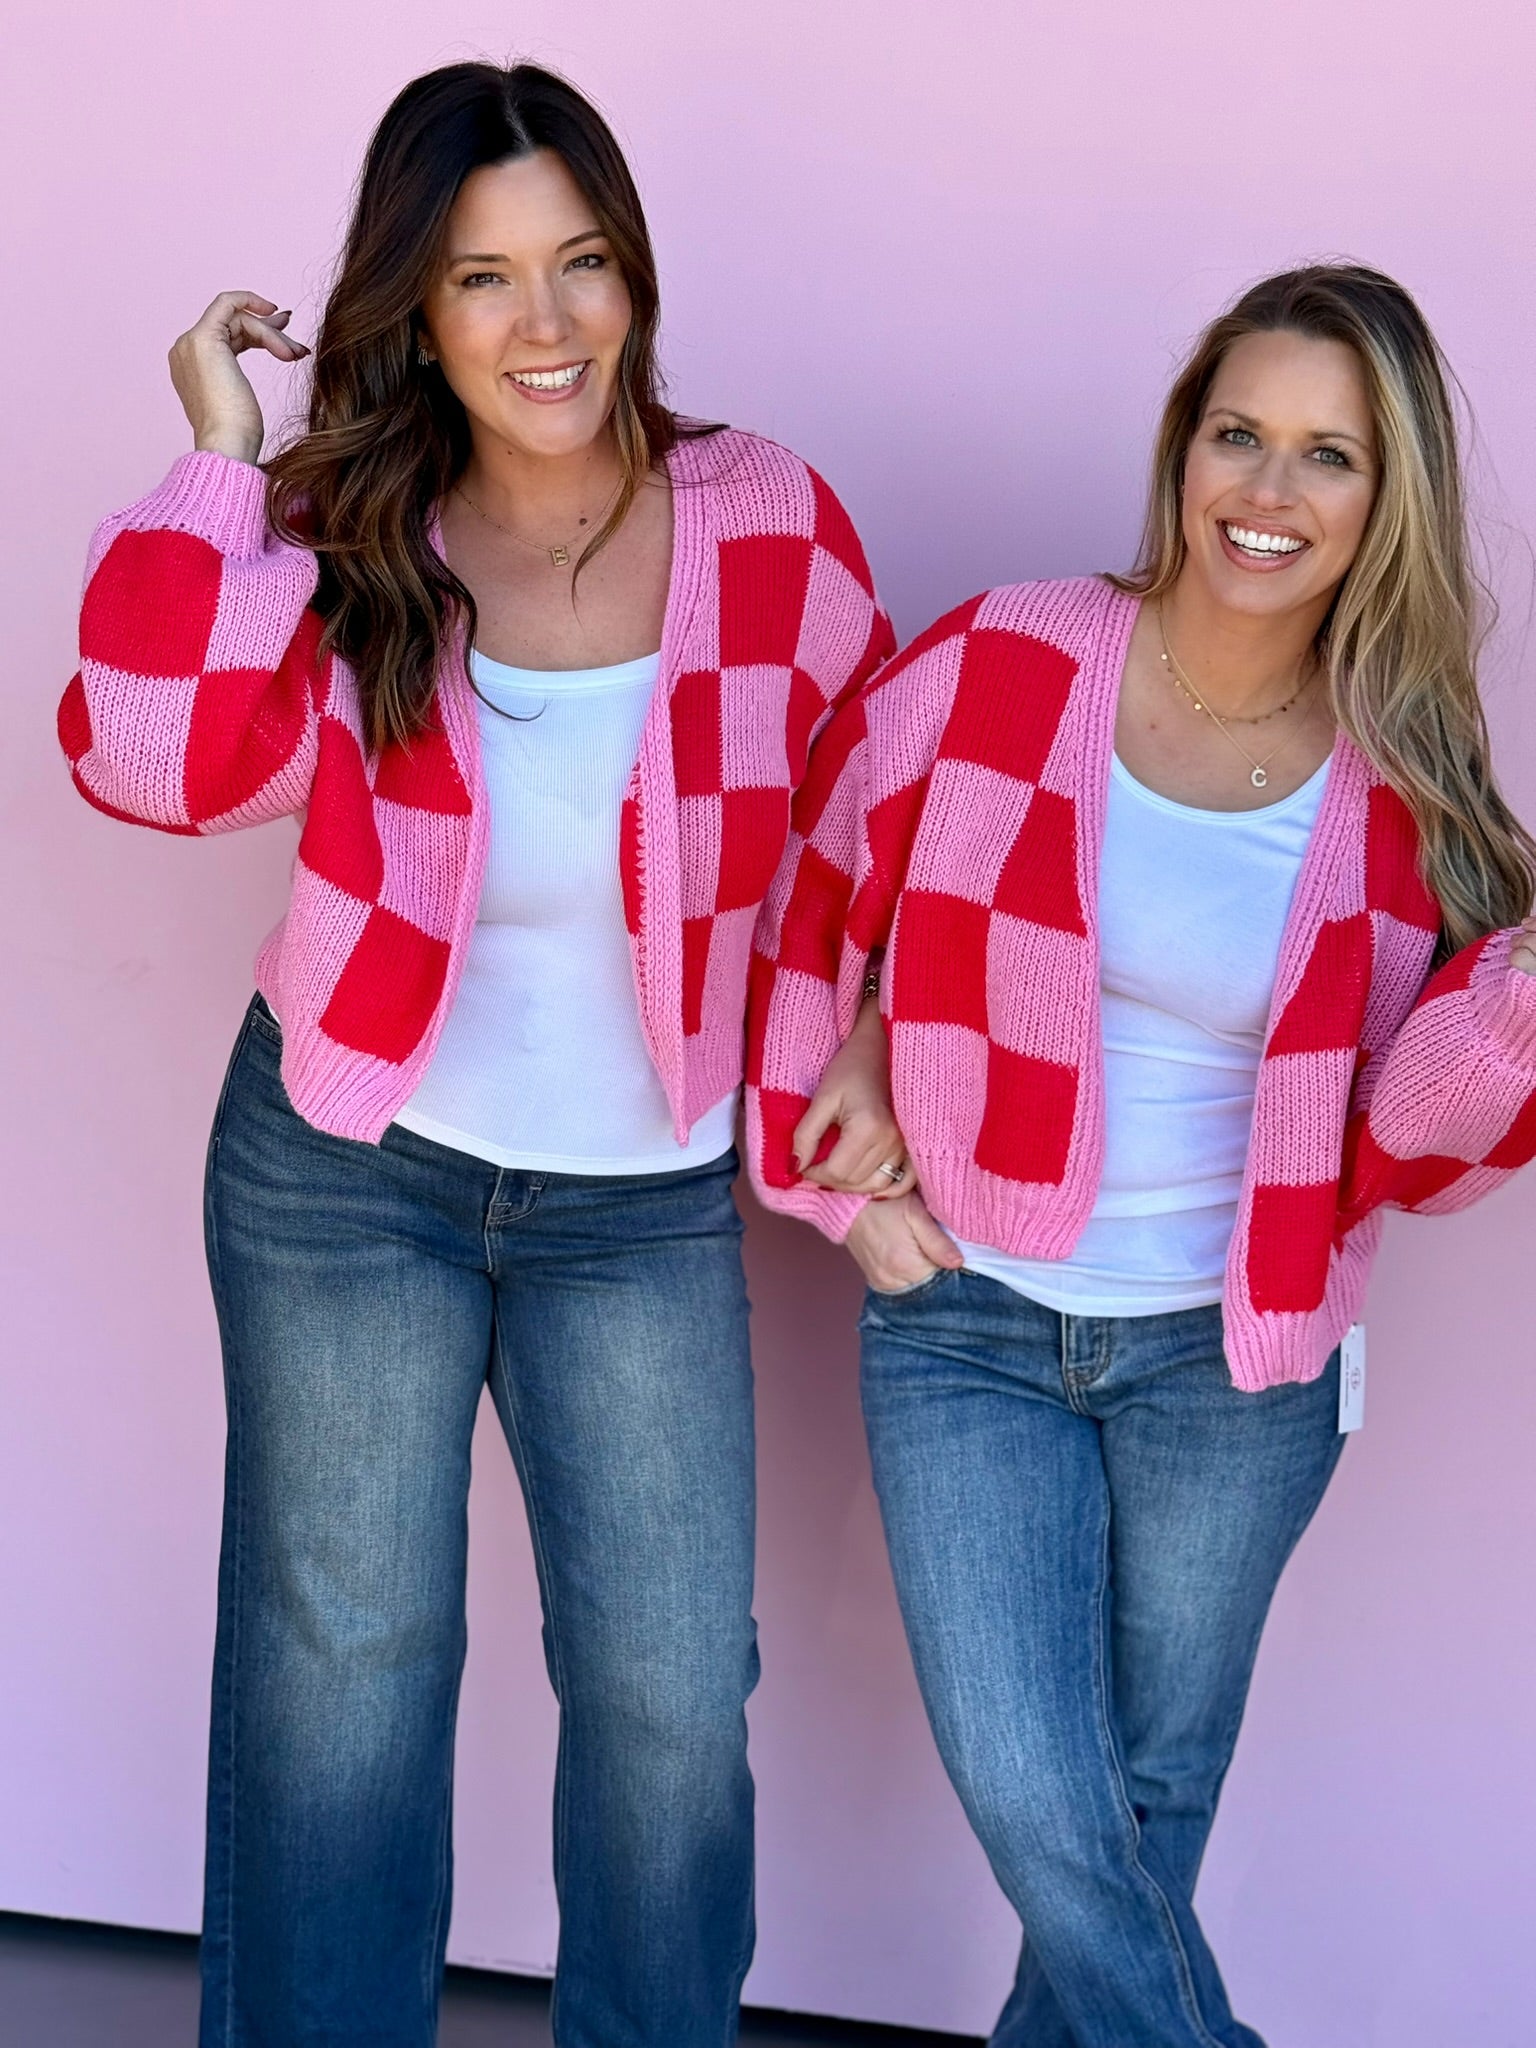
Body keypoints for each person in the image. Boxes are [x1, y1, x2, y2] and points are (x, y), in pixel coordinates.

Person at [59, 60, 895, 2048]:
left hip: (642, 1197)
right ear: (415, 313)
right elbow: (146, 757)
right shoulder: (345, 532)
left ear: (635, 273)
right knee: (345, 1679)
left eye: (582, 262)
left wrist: (866, 1031)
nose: (548, 324)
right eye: (484, 278)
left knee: (671, 1696)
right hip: (348, 1173)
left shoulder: (765, 520)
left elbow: (874, 811)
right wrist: (218, 457)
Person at [747, 265, 1536, 2048]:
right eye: (1238, 434)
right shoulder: (1009, 657)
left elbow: (1414, 1145)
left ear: (1388, 500)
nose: (1269, 491)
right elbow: (820, 888)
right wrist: (838, 1168)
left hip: (1232, 1365)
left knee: (1147, 1805)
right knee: (1043, 1798)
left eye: (1329, 455)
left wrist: (1523, 991)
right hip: (972, 1317)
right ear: (1182, 448)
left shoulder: (1403, 780)